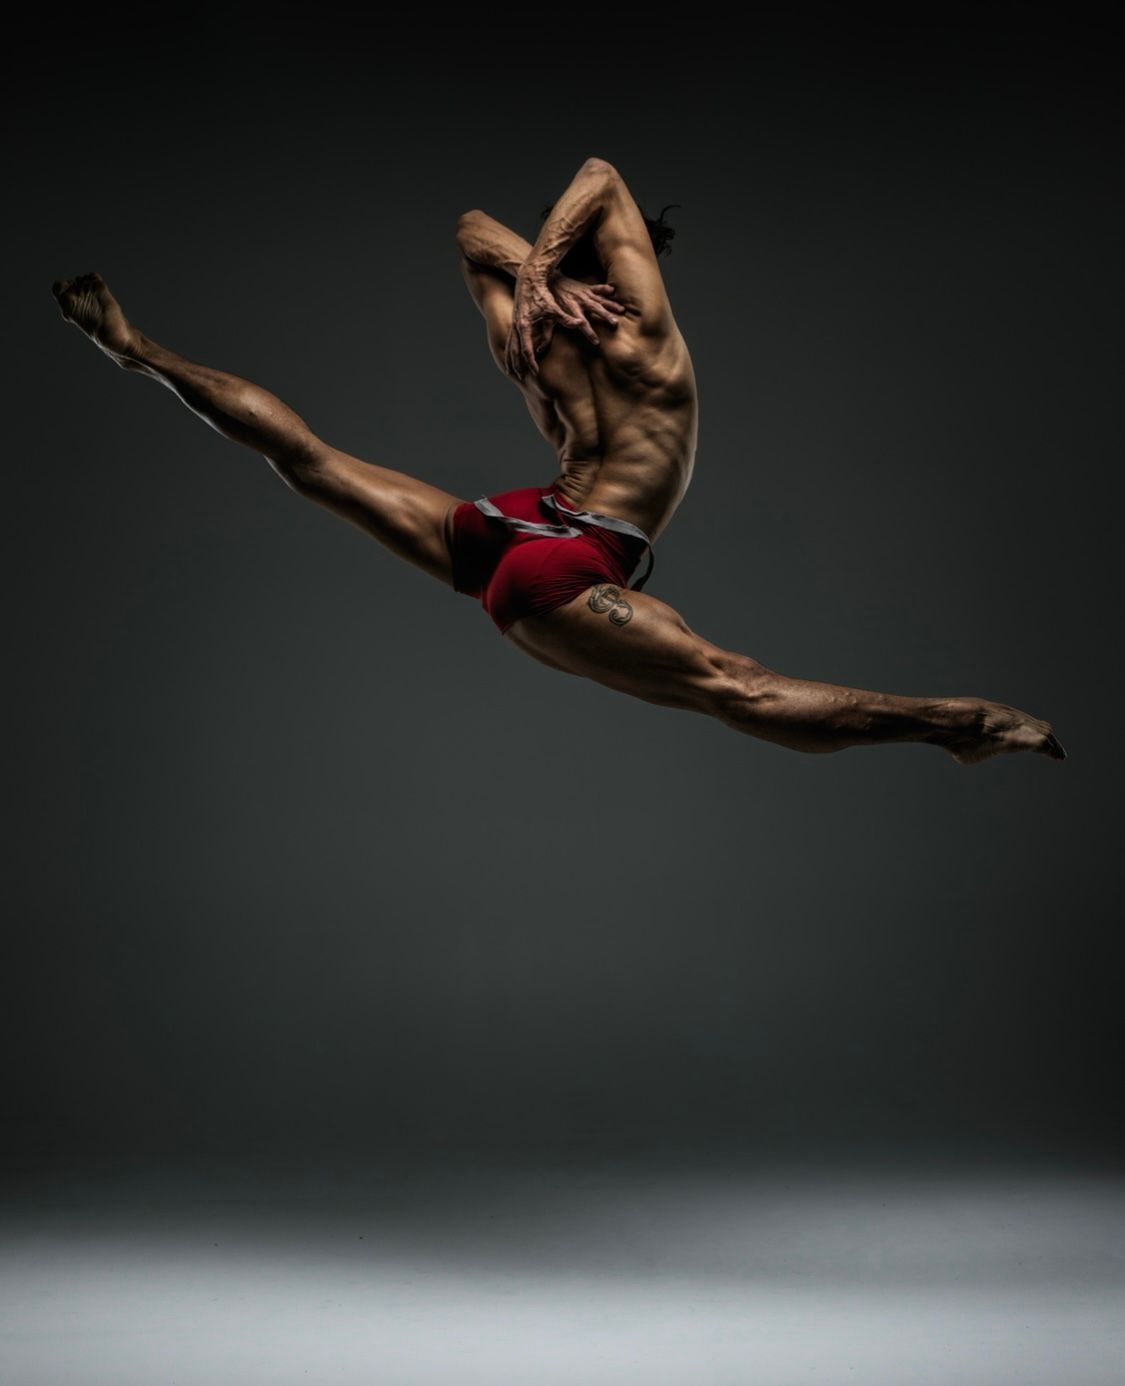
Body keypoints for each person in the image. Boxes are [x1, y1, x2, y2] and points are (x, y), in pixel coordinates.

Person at [51, 157, 1064, 764]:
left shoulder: (522, 339)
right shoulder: (644, 333)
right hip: (567, 560)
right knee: (736, 686)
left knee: (310, 459)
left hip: (518, 521)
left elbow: (467, 229)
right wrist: (547, 265)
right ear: (631, 263)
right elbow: (602, 172)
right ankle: (960, 723)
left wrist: (532, 273)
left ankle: (138, 353)